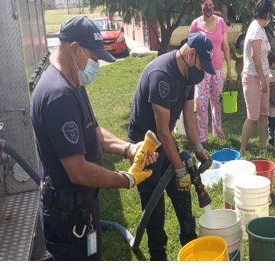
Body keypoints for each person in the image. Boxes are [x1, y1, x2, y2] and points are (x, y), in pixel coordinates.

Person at [30, 16, 159, 261]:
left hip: (81, 209)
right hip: (67, 217)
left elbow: (95, 132)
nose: (96, 65)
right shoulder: (59, 96)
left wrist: (129, 149)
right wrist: (126, 179)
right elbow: (78, 171)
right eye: (94, 58)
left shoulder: (73, 83)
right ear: (75, 49)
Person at [128, 32, 214, 260]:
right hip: (144, 145)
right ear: (191, 53)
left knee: (182, 192)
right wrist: (179, 168)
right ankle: (159, 255)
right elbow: (162, 131)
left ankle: (189, 241)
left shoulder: (188, 74)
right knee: (154, 208)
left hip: (164, 140)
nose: (203, 72)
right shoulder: (162, 75)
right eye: (202, 66)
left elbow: (188, 115)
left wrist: (198, 147)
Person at [190, 0, 233, 142]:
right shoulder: (195, 24)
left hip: (218, 70)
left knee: (216, 102)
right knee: (202, 104)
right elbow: (190, 48)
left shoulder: (220, 22)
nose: (208, 7)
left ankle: (217, 131)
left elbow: (225, 47)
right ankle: (202, 137)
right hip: (201, 70)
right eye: (205, 4)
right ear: (201, 6)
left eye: (211, 3)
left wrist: (229, 69)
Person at [239, 0, 273, 154]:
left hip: (263, 75)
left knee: (263, 114)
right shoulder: (255, 30)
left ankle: (263, 146)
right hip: (253, 77)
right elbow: (255, 56)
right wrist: (261, 80)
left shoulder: (260, 28)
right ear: (267, 14)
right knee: (252, 116)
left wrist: (266, 77)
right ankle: (243, 149)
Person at [267, 51, 275, 147]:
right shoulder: (268, 78)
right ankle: (270, 142)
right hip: (270, 109)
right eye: (273, 69)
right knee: (270, 127)